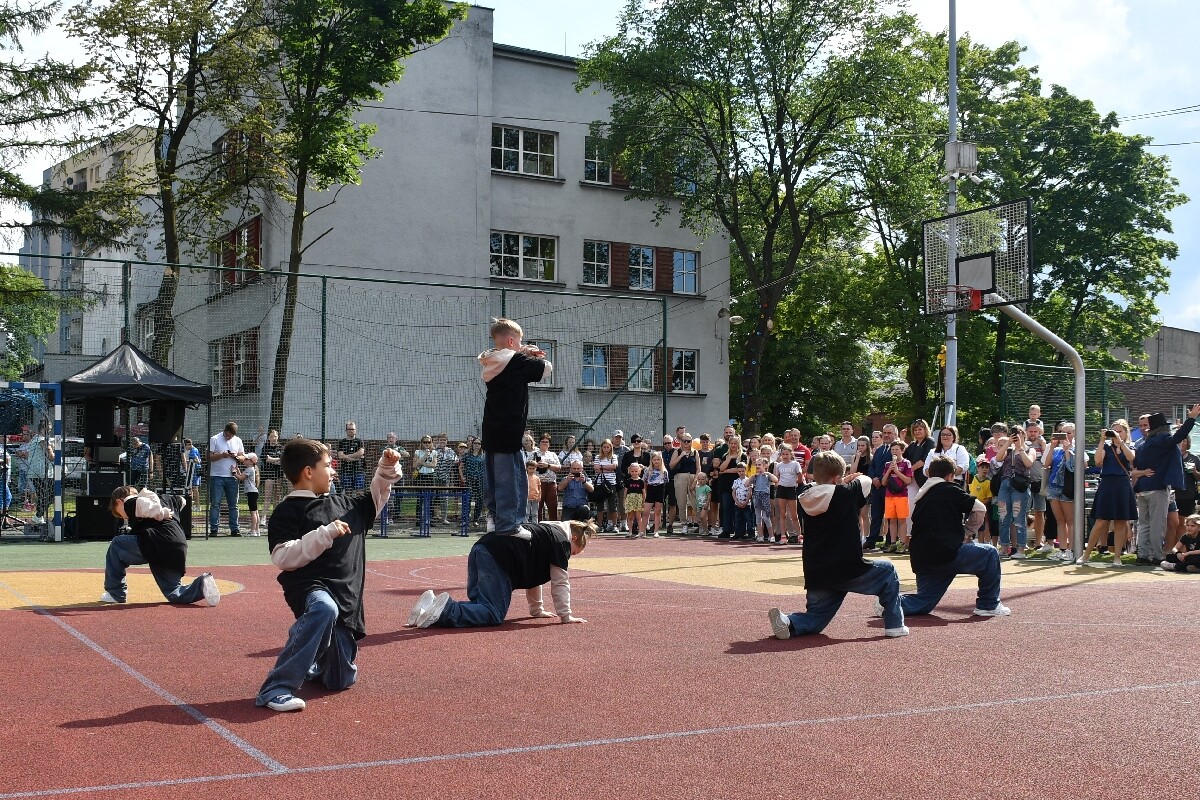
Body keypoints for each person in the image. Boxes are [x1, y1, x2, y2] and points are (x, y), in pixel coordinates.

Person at [255, 439, 402, 713]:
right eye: (327, 465)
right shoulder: (286, 512)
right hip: (313, 589)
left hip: (347, 604)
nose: (334, 470)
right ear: (309, 472)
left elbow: (379, 491)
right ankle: (276, 688)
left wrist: (386, 467)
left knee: (339, 680)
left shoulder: (350, 504)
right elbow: (283, 557)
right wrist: (324, 533)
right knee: (324, 608)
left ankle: (313, 660)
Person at [768, 451, 907, 640]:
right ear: (837, 478)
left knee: (816, 618)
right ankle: (895, 625)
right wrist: (844, 481)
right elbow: (866, 481)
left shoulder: (805, 494)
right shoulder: (846, 492)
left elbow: (822, 487)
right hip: (847, 567)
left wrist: (838, 481)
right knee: (888, 571)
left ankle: (789, 621)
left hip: (817, 570)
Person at [406, 520, 592, 628]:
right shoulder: (561, 543)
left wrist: (537, 610)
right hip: (497, 559)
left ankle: (426, 609)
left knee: (479, 605)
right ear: (573, 538)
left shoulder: (544, 532)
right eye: (574, 552)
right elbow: (560, 582)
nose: (570, 556)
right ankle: (447, 609)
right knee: (492, 613)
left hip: (481, 548)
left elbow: (536, 576)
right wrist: (566, 616)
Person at [887, 456, 1009, 618]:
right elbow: (980, 509)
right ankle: (988, 604)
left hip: (921, 558)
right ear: (951, 476)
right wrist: (967, 532)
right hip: (947, 553)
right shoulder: (950, 488)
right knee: (990, 553)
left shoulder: (921, 497)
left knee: (924, 601)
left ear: (929, 473)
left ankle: (889, 602)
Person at [478, 318, 552, 535]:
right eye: (519, 341)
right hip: (509, 431)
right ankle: (509, 525)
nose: (522, 345)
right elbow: (546, 368)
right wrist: (528, 352)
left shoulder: (493, 359)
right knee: (512, 481)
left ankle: (494, 517)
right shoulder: (514, 360)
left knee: (493, 479)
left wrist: (522, 353)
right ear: (511, 341)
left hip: (491, 430)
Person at [101, 485, 219, 606]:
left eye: (121, 514)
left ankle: (115, 593)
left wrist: (161, 512)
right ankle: (202, 584)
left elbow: (146, 506)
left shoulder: (130, 502)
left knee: (116, 545)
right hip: (177, 543)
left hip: (156, 542)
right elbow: (181, 501)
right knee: (174, 591)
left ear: (119, 502)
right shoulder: (167, 499)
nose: (124, 518)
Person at [1132, 407, 1200, 565]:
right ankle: (1157, 555)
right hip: (1157, 487)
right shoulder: (1162, 438)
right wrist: (1191, 419)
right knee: (1157, 524)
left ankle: (1142, 554)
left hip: (1142, 487)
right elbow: (1179, 437)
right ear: (1163, 427)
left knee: (1144, 524)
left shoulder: (1145, 443)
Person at [1079, 420, 1138, 566]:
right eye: (1114, 431)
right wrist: (1102, 440)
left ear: (1126, 432)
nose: (1117, 434)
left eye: (1120, 431)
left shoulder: (1130, 446)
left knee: (1120, 522)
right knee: (1101, 521)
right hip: (1107, 484)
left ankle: (1117, 557)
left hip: (1123, 484)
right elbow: (1098, 461)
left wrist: (1120, 443)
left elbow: (1131, 458)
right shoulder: (1106, 446)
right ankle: (1086, 555)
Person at [991, 425, 1035, 559]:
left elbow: (1029, 463)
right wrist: (1008, 443)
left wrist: (1020, 448)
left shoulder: (1029, 449)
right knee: (1003, 516)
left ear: (1024, 435)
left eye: (1020, 433)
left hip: (1020, 485)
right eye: (1014, 434)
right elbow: (998, 458)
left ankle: (1021, 549)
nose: (1017, 436)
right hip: (1005, 483)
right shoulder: (1008, 450)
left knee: (1019, 517)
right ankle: (1004, 547)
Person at [207, 422, 245, 537]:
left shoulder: (238, 440)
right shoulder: (214, 439)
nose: (229, 438)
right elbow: (208, 456)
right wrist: (221, 455)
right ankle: (214, 529)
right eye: (227, 435)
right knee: (215, 504)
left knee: (233, 504)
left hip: (232, 477)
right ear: (224, 431)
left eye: (231, 436)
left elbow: (243, 457)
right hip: (217, 476)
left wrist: (236, 457)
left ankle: (235, 529)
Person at [1042, 431, 1075, 561]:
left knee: (1070, 520)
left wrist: (1067, 450)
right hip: (1053, 487)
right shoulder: (1055, 450)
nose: (1064, 436)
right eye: (1062, 433)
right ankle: (1062, 549)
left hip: (1067, 488)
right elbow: (1046, 464)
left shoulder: (1077, 450)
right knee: (1060, 520)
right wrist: (1051, 446)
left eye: (1068, 433)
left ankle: (1071, 550)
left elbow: (1071, 467)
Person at [867, 424, 898, 549]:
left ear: (895, 435)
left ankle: (890, 541)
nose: (886, 435)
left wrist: (880, 479)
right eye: (884, 433)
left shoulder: (896, 450)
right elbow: (872, 466)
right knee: (876, 515)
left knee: (890, 515)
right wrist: (873, 478)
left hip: (889, 487)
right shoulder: (879, 450)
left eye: (889, 433)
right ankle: (871, 540)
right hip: (876, 487)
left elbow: (893, 468)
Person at [903, 420, 935, 532]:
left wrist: (909, 470)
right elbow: (903, 457)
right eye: (915, 430)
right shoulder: (912, 444)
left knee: (925, 507)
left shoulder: (930, 442)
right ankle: (909, 534)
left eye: (920, 429)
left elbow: (924, 460)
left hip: (924, 480)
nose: (917, 431)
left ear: (925, 430)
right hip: (912, 481)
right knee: (910, 507)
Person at [881, 441, 913, 552]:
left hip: (902, 495)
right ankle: (893, 543)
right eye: (892, 450)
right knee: (892, 520)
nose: (894, 452)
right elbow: (883, 482)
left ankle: (903, 543)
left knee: (902, 519)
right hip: (889, 495)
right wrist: (890, 470)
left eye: (897, 449)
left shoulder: (906, 463)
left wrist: (897, 471)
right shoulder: (887, 464)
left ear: (902, 450)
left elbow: (908, 480)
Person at [715, 437, 747, 539]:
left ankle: (740, 531)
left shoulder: (743, 455)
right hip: (725, 485)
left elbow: (739, 469)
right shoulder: (725, 455)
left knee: (738, 509)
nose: (733, 445)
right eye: (731, 443)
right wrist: (728, 458)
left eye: (735, 443)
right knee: (726, 507)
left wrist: (726, 471)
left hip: (739, 485)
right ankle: (726, 530)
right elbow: (721, 468)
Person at [668, 433, 699, 534]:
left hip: (692, 477)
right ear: (681, 442)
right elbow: (671, 465)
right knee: (681, 503)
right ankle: (684, 525)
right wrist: (680, 456)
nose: (686, 443)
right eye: (684, 441)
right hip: (680, 477)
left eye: (688, 441)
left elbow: (699, 468)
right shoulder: (677, 451)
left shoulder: (695, 452)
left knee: (696, 502)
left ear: (691, 442)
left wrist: (695, 481)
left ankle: (701, 524)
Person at [773, 444, 803, 544]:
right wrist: (778, 484)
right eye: (783, 454)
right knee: (782, 514)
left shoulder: (795, 464)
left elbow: (800, 475)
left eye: (787, 454)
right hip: (782, 489)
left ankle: (799, 535)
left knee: (794, 515)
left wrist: (797, 483)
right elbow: (777, 477)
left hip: (791, 489)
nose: (785, 456)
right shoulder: (779, 465)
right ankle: (783, 536)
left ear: (791, 454)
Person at [532, 434, 562, 522]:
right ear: (539, 443)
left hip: (551, 484)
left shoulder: (553, 454)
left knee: (553, 506)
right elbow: (528, 466)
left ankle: (553, 525)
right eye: (542, 441)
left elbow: (559, 468)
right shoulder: (534, 454)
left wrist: (548, 465)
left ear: (549, 444)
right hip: (538, 484)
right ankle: (539, 525)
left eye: (546, 442)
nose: (544, 443)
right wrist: (536, 465)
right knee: (538, 507)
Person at [592, 439, 620, 532]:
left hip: (611, 484)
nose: (606, 449)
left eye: (608, 447)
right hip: (600, 484)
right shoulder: (597, 457)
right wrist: (607, 469)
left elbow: (614, 467)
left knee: (612, 506)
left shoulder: (614, 457)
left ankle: (614, 525)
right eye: (604, 447)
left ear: (611, 448)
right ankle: (599, 526)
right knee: (600, 506)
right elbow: (596, 469)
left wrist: (602, 467)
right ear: (601, 448)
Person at [969, 460, 997, 547]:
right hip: (971, 506)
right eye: (982, 467)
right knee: (970, 525)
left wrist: (981, 505)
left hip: (982, 507)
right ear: (978, 468)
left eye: (986, 467)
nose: (984, 469)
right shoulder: (972, 479)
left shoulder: (988, 482)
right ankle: (968, 542)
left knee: (982, 526)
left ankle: (981, 544)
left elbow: (989, 497)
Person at [459, 440, 486, 529]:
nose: (477, 445)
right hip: (469, 480)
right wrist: (462, 477)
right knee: (467, 500)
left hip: (480, 480)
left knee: (479, 500)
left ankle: (475, 520)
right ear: (472, 444)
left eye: (479, 443)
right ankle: (465, 520)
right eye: (475, 443)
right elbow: (461, 466)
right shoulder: (467, 455)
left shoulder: (483, 456)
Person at [751, 455, 777, 542]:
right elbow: (746, 484)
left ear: (765, 465)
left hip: (765, 497)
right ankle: (760, 536)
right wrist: (752, 476)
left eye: (760, 464)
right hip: (756, 496)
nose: (757, 466)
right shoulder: (756, 476)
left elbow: (776, 480)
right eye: (757, 464)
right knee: (758, 517)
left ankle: (771, 535)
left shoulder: (767, 475)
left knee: (766, 517)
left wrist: (769, 473)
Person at [233, 453, 261, 536]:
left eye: (246, 459)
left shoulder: (249, 469)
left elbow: (241, 478)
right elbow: (242, 475)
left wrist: (233, 472)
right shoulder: (250, 469)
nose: (244, 460)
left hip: (251, 492)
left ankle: (253, 531)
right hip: (253, 492)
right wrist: (237, 470)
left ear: (251, 462)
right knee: (255, 512)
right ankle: (257, 530)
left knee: (253, 512)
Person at [644, 451, 669, 537]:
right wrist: (645, 491)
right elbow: (645, 481)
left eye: (658, 459)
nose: (656, 461)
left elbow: (665, 482)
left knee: (657, 511)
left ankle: (656, 531)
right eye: (654, 460)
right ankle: (642, 531)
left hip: (660, 489)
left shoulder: (664, 471)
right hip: (650, 489)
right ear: (652, 461)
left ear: (661, 460)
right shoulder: (648, 470)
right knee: (646, 511)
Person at [336, 421, 366, 495]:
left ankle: (358, 506)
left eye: (352, 429)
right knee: (347, 492)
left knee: (359, 492)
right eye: (349, 429)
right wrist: (355, 458)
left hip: (358, 470)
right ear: (346, 430)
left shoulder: (359, 441)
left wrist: (347, 457)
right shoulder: (342, 442)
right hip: (346, 470)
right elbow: (340, 456)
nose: (351, 431)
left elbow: (361, 453)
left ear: (355, 430)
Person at [260, 430, 284, 518]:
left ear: (277, 437)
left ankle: (276, 515)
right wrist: (277, 460)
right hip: (268, 473)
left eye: (275, 436)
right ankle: (263, 516)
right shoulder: (265, 447)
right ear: (269, 438)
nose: (274, 438)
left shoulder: (280, 447)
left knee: (277, 495)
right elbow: (266, 459)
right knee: (268, 496)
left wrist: (272, 459)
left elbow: (283, 460)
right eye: (272, 437)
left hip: (279, 473)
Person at [611, 431, 631, 532]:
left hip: (623, 480)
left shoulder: (626, 450)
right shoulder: (609, 449)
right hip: (610, 480)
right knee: (611, 503)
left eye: (620, 437)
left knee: (623, 504)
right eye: (616, 437)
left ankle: (624, 523)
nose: (618, 439)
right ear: (613, 438)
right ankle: (612, 524)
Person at [730, 463, 753, 540]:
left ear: (745, 471)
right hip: (737, 504)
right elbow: (733, 492)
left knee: (748, 519)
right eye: (739, 471)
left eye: (743, 471)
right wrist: (737, 502)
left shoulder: (748, 480)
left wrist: (746, 501)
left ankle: (750, 534)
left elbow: (750, 492)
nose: (741, 473)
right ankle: (738, 533)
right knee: (738, 519)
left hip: (747, 504)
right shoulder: (736, 481)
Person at [624, 462, 646, 538]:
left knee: (638, 516)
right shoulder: (628, 481)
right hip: (630, 499)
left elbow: (643, 492)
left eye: (636, 471)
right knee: (630, 516)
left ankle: (640, 531)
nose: (634, 473)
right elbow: (625, 491)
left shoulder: (641, 481)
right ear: (630, 471)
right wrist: (625, 500)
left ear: (639, 471)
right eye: (632, 471)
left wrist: (643, 501)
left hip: (638, 499)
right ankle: (630, 531)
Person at [183, 438, 202, 507]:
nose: (187, 447)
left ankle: (197, 505)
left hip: (195, 471)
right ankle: (192, 505)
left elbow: (197, 460)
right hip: (189, 472)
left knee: (195, 488)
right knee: (189, 489)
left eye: (188, 445)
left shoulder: (194, 450)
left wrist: (195, 461)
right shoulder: (185, 450)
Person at [525, 460, 542, 527]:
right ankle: (526, 525)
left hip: (535, 497)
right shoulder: (525, 477)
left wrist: (539, 496)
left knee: (535, 514)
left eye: (533, 468)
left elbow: (539, 487)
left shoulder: (537, 478)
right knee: (526, 513)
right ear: (526, 468)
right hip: (527, 498)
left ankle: (535, 526)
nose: (531, 470)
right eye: (530, 468)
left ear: (536, 468)